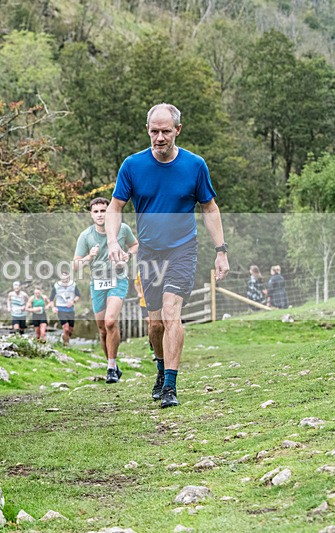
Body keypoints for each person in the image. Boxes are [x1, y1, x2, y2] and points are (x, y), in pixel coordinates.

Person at [106, 103, 230, 408]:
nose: (159, 137)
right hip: (149, 252)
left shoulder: (195, 165)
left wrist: (221, 251)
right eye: (154, 131)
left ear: (178, 130)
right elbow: (115, 207)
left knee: (173, 312)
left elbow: (209, 208)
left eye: (165, 131)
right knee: (156, 323)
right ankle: (161, 370)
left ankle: (171, 386)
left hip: (183, 250)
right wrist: (112, 241)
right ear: (148, 130)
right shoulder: (132, 166)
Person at [74, 197, 138, 384]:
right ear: (91, 214)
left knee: (110, 321)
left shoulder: (123, 229)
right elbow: (75, 265)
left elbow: (135, 245)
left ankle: (110, 367)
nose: (100, 215)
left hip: (118, 279)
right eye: (96, 211)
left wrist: (128, 255)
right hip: (97, 283)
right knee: (102, 329)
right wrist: (89, 256)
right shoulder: (85, 236)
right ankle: (112, 364)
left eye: (104, 210)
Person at [49, 271, 81, 345]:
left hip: (70, 309)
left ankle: (64, 336)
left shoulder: (73, 285)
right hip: (61, 309)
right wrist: (53, 307)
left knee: (70, 330)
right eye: (62, 279)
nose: (64, 281)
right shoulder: (56, 286)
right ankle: (66, 345)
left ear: (68, 279)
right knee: (66, 328)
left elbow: (78, 295)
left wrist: (73, 302)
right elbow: (51, 298)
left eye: (66, 279)